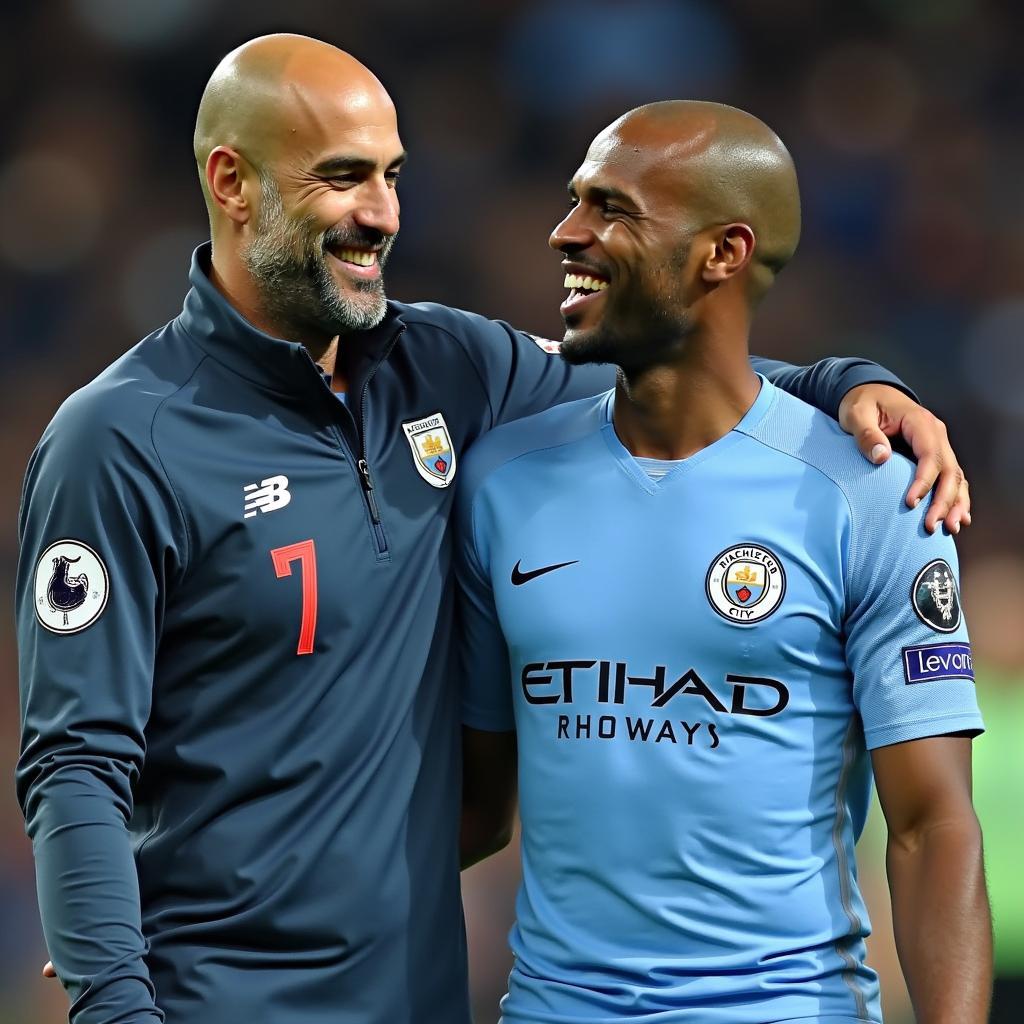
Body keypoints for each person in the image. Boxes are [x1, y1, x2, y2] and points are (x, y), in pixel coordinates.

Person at [15, 34, 969, 1024]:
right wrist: (114, 998)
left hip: (414, 995)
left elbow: (681, 369)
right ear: (232, 182)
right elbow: (74, 761)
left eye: (391, 175)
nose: (381, 212)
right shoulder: (121, 438)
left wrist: (846, 380)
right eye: (343, 178)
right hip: (218, 997)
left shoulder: (447, 368)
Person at [456, 101, 991, 1023]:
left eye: (611, 208)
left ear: (723, 252)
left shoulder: (873, 493)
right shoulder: (503, 479)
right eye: (575, 201)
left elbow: (932, 827)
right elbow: (471, 811)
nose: (565, 232)